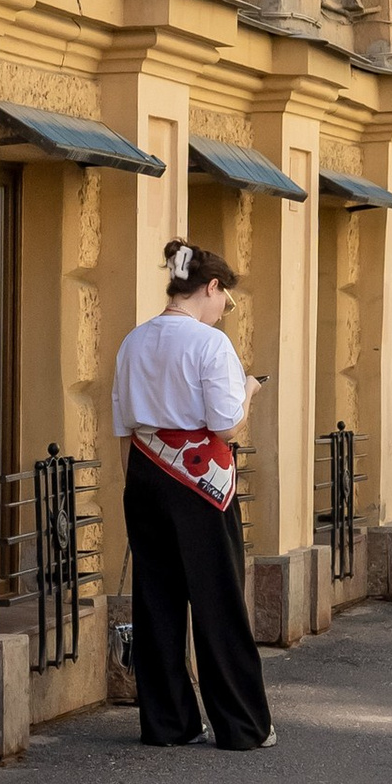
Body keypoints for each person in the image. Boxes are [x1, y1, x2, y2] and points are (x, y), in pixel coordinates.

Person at [112, 238, 273, 753]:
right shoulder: (211, 344)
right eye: (227, 298)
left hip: (144, 474)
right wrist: (249, 390)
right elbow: (225, 425)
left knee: (156, 601)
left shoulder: (134, 340)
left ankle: (168, 723)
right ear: (211, 287)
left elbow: (124, 426)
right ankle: (242, 726)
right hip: (199, 482)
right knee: (217, 600)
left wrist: (135, 486)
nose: (225, 309)